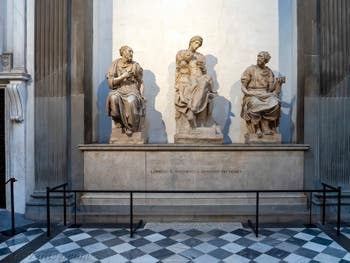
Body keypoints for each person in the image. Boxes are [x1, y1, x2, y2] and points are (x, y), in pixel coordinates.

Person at [175, 36, 216, 130]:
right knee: (197, 85)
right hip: (188, 78)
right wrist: (189, 54)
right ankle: (193, 112)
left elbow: (204, 71)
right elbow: (181, 65)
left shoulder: (201, 56)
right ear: (191, 42)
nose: (197, 46)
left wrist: (203, 68)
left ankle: (193, 111)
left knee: (206, 81)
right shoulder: (181, 53)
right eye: (196, 43)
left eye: (199, 44)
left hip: (200, 77)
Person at [240, 51, 285, 137]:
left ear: (266, 60)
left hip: (265, 94)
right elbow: (243, 86)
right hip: (252, 94)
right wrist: (248, 93)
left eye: (261, 57)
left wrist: (278, 83)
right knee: (254, 103)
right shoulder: (250, 69)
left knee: (276, 103)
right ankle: (257, 128)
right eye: (258, 56)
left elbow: (271, 89)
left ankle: (266, 126)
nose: (259, 59)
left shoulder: (268, 72)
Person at [106, 46, 145, 136]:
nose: (131, 54)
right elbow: (110, 83)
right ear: (123, 53)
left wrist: (142, 95)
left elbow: (141, 82)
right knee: (113, 97)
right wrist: (122, 77)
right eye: (129, 51)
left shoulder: (135, 65)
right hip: (119, 90)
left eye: (132, 52)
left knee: (130, 100)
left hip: (132, 90)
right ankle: (119, 122)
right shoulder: (115, 64)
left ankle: (131, 127)